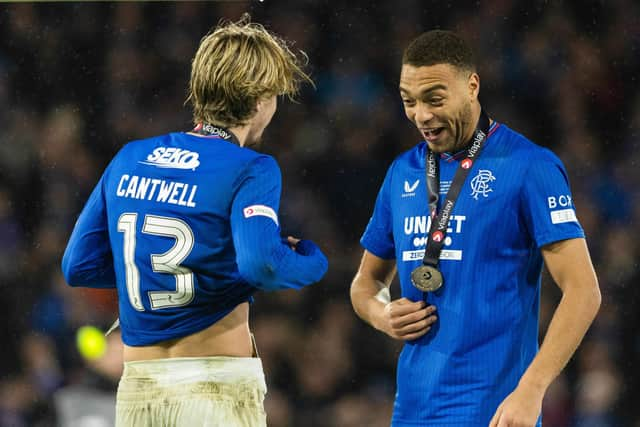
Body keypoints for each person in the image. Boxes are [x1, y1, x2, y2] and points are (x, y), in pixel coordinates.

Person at [62, 16, 328, 427]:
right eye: (275, 95)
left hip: (139, 388)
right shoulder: (252, 167)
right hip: (213, 390)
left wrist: (162, 274)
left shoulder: (130, 157)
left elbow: (77, 266)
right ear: (259, 100)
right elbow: (264, 264)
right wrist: (312, 259)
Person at [350, 30, 600, 427]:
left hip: (496, 413)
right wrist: (382, 315)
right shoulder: (402, 173)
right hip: (412, 413)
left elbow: (584, 291)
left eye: (434, 98)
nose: (421, 115)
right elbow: (365, 284)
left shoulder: (530, 166)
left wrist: (532, 389)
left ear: (472, 85)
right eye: (408, 101)